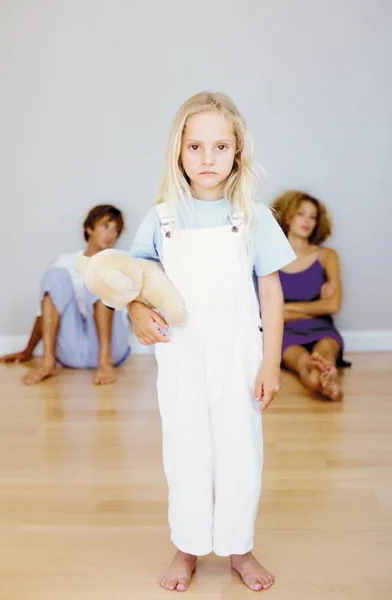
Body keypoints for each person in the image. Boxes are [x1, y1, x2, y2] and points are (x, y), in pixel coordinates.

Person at [127, 92, 296, 592]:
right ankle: (188, 546)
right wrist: (136, 310)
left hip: (239, 357)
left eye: (220, 146)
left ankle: (239, 547)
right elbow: (136, 280)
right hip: (181, 360)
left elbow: (271, 291)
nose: (207, 158)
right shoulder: (161, 218)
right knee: (186, 450)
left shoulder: (254, 216)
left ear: (237, 151)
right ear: (178, 152)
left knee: (240, 450)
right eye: (195, 146)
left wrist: (271, 365)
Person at [0, 204, 131, 385]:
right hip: (74, 350)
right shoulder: (66, 262)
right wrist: (28, 350)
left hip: (112, 348)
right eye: (105, 226)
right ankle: (48, 363)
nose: (111, 234)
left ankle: (104, 362)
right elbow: (46, 310)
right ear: (89, 228)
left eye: (116, 230)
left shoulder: (122, 258)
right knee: (56, 275)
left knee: (100, 271)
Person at [272, 190, 350, 402]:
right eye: (301, 214)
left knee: (325, 353)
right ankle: (320, 381)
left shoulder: (327, 256)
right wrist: (317, 306)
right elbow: (267, 315)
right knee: (302, 361)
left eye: (312, 216)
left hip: (321, 328)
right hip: (283, 331)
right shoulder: (270, 257)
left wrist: (288, 310)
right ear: (287, 216)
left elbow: (333, 306)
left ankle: (328, 379)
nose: (307, 221)